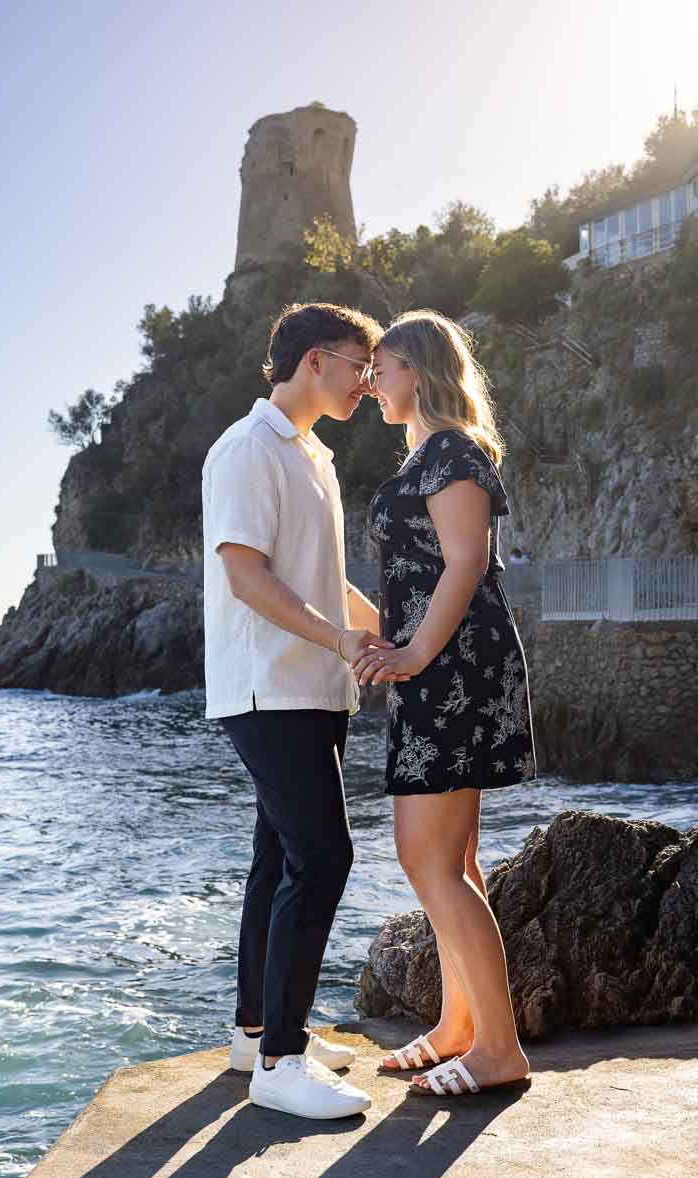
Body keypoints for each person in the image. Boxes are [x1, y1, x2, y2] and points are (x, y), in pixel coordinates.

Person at [202, 301, 404, 1120]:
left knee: (279, 860)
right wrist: (338, 638)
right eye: (360, 366)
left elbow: (321, 577)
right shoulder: (247, 447)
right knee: (323, 858)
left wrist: (383, 631)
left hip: (313, 686)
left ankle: (254, 1034)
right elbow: (245, 575)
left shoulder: (312, 455)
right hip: (268, 687)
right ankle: (280, 1064)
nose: (368, 383)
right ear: (315, 360)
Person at [352, 309, 536, 1098]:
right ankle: (462, 1025)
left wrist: (415, 653)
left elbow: (466, 561)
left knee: (425, 857)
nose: (371, 383)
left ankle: (499, 1048)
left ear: (419, 370)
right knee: (451, 858)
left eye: (381, 369)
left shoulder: (454, 451)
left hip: (454, 668)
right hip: (438, 667)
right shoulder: (427, 455)